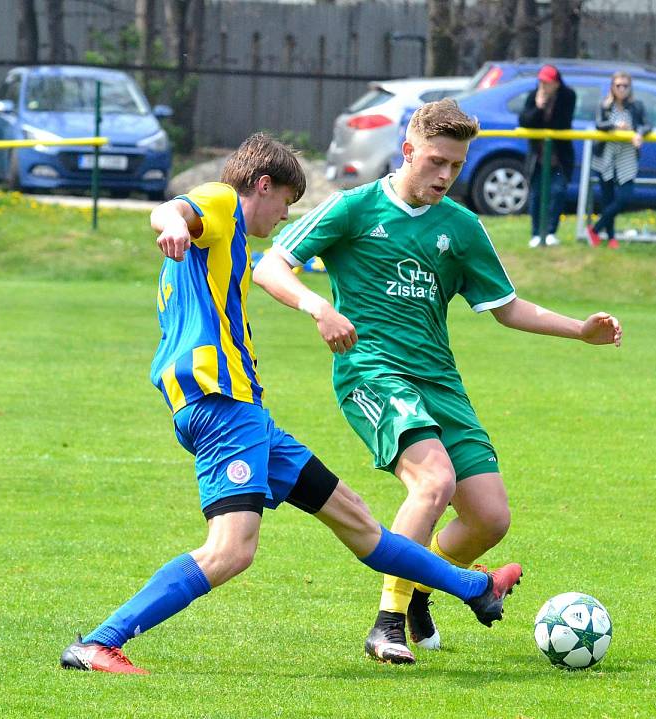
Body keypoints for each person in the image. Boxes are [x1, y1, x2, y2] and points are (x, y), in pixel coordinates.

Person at [58, 133, 524, 674]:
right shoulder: (221, 203)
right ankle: (98, 643)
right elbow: (172, 210)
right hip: (221, 405)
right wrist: (171, 225)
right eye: (285, 202)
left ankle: (473, 586)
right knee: (231, 551)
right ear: (262, 185)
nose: (284, 215)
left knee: (355, 517)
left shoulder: (219, 236)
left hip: (241, 412)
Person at [252, 101, 623, 665]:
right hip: (372, 371)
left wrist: (580, 331)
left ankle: (421, 590)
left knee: (490, 518)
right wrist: (317, 307)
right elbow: (270, 266)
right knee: (433, 481)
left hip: (440, 382)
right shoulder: (355, 208)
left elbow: (507, 306)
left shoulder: (462, 226)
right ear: (407, 151)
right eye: (435, 161)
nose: (446, 176)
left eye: (456, 165)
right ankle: (388, 624)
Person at [587, 71, 652, 249]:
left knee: (624, 197)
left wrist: (638, 133)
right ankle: (611, 238)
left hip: (627, 156)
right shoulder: (605, 105)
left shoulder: (636, 106)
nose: (622, 89)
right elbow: (599, 124)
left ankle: (595, 229)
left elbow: (647, 125)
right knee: (608, 199)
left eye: (625, 86)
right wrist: (616, 126)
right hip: (606, 156)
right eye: (618, 86)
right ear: (612, 87)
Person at [519, 64, 577, 248]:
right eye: (541, 82)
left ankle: (551, 232)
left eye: (547, 82)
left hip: (559, 155)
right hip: (538, 155)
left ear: (556, 83)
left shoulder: (568, 96)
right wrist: (538, 107)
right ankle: (536, 233)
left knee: (558, 192)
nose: (543, 86)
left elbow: (562, 124)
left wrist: (548, 106)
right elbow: (525, 122)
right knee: (536, 194)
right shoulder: (533, 96)